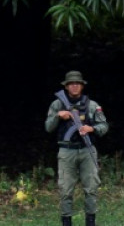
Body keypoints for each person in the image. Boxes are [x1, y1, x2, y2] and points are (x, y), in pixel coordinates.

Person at [45, 70, 109, 226]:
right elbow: (48, 127)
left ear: (82, 86)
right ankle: (66, 221)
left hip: (87, 150)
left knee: (91, 188)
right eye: (71, 84)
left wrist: (91, 129)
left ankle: (90, 222)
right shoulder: (57, 104)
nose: (74, 86)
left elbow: (104, 125)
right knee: (66, 189)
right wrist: (58, 116)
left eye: (77, 84)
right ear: (66, 87)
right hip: (67, 151)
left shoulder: (92, 105)